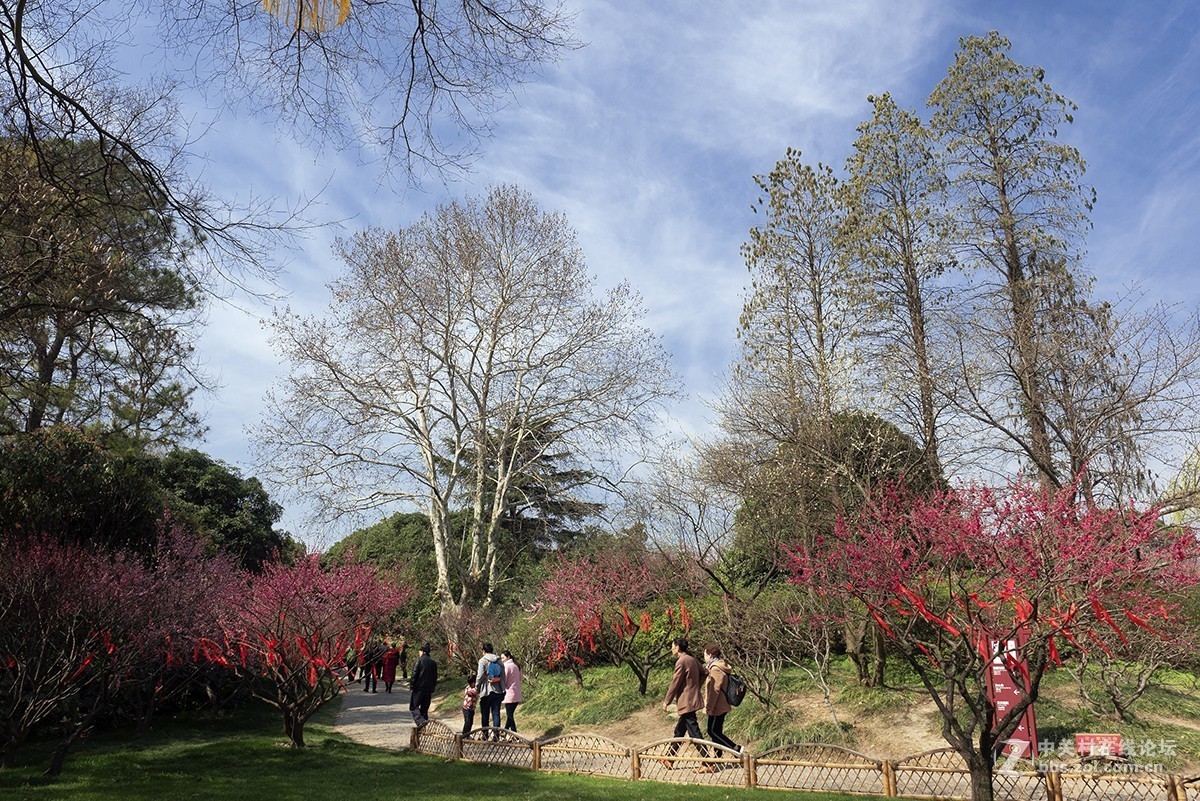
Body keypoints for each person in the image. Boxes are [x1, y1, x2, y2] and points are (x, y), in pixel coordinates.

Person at [661, 636, 706, 769]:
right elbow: (705, 672)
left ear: (678, 647)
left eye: (672, 646)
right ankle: (670, 758)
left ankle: (708, 762)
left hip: (687, 701)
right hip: (692, 699)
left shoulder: (681, 661)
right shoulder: (692, 659)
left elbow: (675, 683)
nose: (671, 648)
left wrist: (666, 701)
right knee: (679, 731)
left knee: (695, 733)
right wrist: (696, 686)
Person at [702, 644, 741, 761]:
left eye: (705, 654)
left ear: (710, 655)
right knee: (716, 730)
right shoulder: (719, 666)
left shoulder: (716, 669)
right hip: (720, 704)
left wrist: (709, 707)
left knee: (712, 731)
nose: (704, 657)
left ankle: (736, 749)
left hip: (718, 706)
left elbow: (714, 690)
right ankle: (718, 755)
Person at [474, 642, 506, 740]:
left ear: (483, 651)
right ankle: (496, 736)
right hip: (497, 690)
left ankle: (485, 735)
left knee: (485, 714)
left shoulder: (482, 661)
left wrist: (477, 687)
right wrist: (503, 687)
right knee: (496, 713)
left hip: (486, 690)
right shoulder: (499, 660)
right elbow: (503, 675)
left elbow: (479, 676)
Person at [409, 643, 438, 728]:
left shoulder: (419, 660)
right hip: (428, 689)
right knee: (424, 709)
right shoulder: (433, 663)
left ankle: (421, 722)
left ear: (423, 652)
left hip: (419, 688)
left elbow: (414, 674)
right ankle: (424, 727)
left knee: (414, 706)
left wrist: (412, 685)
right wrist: (432, 688)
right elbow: (435, 677)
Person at [500, 649, 523, 732]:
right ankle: (507, 732)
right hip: (517, 693)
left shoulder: (506, 666)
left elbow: (504, 680)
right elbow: (521, 678)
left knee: (509, 716)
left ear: (508, 657)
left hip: (509, 693)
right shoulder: (516, 666)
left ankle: (513, 735)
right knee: (510, 715)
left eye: (503, 658)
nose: (502, 660)